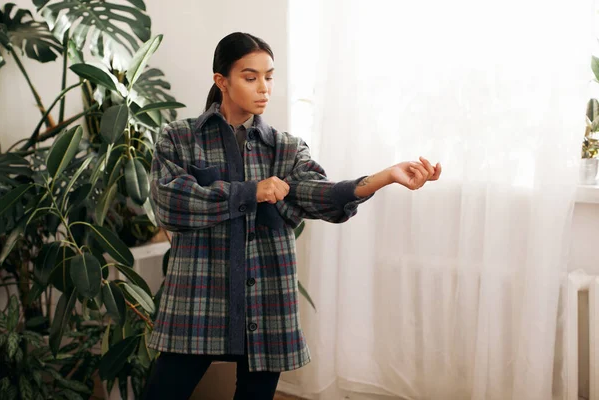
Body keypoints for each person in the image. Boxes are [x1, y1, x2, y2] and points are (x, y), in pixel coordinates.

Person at [142, 32, 441, 400]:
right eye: (250, 77)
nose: (264, 87)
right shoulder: (179, 138)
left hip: (266, 303)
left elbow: (319, 195)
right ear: (222, 81)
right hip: (198, 300)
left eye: (269, 76)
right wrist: (252, 192)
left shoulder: (286, 148)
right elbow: (169, 202)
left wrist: (383, 177)